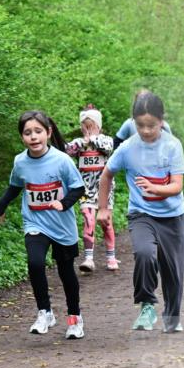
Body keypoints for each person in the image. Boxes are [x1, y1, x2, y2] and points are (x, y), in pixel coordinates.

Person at [97, 92, 184, 333]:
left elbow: (177, 186)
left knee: (173, 271)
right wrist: (103, 208)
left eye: (151, 125)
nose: (146, 131)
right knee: (144, 253)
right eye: (140, 125)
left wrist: (155, 188)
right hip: (141, 214)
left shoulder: (172, 145)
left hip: (172, 216)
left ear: (161, 120)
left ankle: (172, 316)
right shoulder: (127, 148)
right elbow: (106, 175)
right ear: (133, 122)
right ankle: (146, 305)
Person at [0, 110, 85, 338]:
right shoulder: (20, 162)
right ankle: (45, 312)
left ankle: (75, 318)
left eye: (38, 131)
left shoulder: (62, 160)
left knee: (66, 272)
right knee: (35, 263)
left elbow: (78, 188)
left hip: (61, 225)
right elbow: (15, 187)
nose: (33, 137)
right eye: (27, 133)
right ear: (22, 137)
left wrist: (63, 203)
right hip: (35, 222)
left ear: (48, 133)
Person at [65, 105, 118, 273]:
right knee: (88, 219)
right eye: (85, 127)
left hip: (104, 188)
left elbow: (108, 148)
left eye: (91, 126)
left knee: (106, 223)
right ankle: (89, 258)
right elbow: (66, 151)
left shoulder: (106, 140)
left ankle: (111, 256)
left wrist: (93, 139)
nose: (88, 130)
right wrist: (81, 143)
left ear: (98, 126)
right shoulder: (79, 143)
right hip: (85, 189)